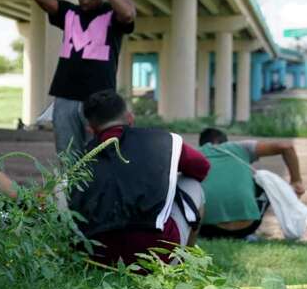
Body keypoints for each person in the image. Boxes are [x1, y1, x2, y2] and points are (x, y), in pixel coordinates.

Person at [69, 90, 210, 265]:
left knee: (61, 187)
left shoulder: (79, 158)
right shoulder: (164, 141)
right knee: (192, 184)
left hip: (99, 258)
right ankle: (184, 263)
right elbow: (201, 168)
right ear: (130, 118)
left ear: (90, 129)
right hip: (157, 256)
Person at [31, 0, 136, 157]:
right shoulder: (68, 12)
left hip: (100, 97)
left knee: (99, 154)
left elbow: (128, 13)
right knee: (67, 154)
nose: (85, 1)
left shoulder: (113, 16)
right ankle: (71, 188)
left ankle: (96, 188)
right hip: (65, 95)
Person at [198, 127, 305, 239]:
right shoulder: (239, 147)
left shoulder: (196, 154)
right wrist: (296, 181)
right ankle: (247, 226)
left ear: (202, 144)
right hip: (246, 228)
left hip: (207, 229)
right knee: (266, 182)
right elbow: (286, 146)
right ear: (226, 142)